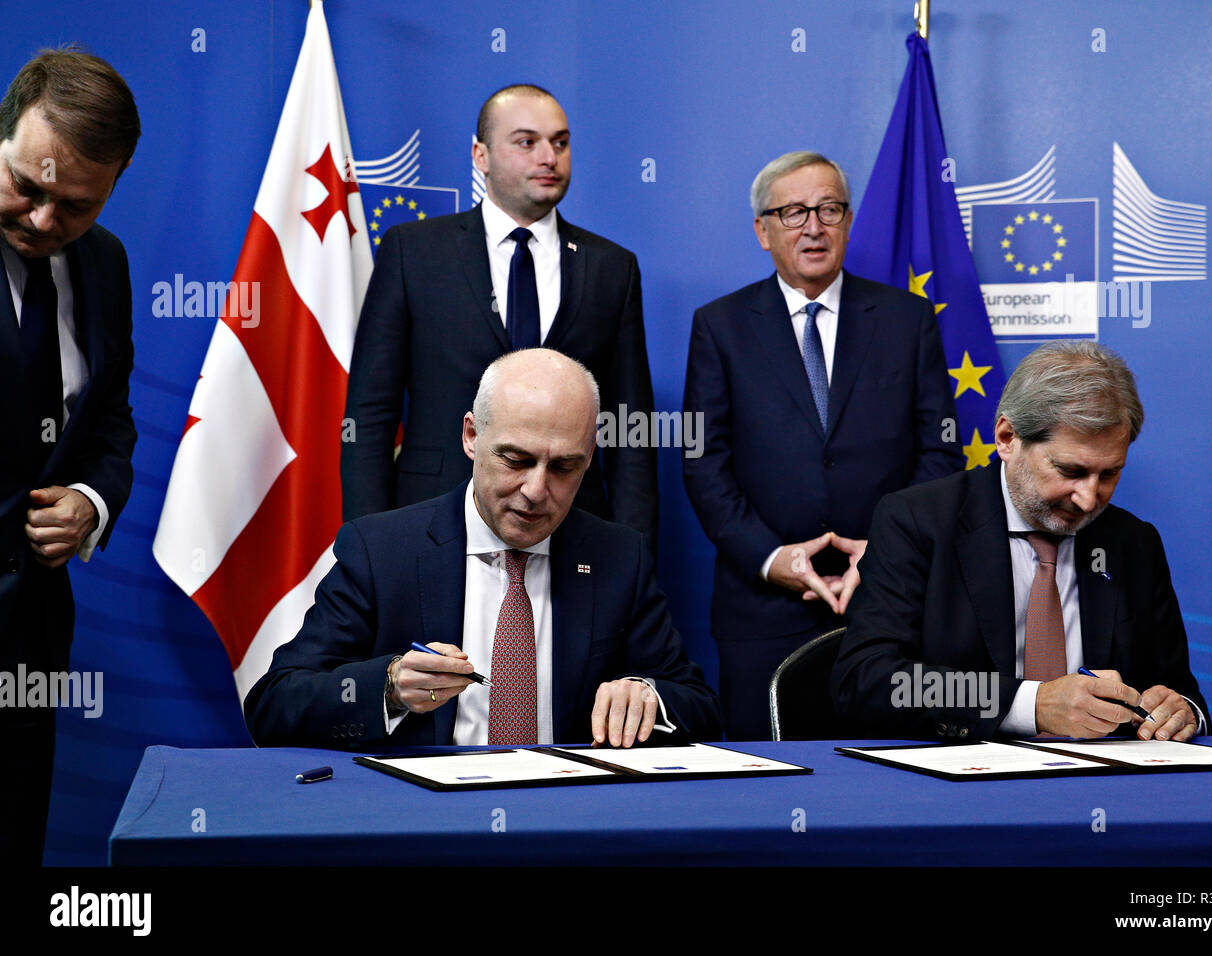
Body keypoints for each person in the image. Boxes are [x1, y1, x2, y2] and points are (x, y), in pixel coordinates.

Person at [246, 349, 720, 749]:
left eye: (564, 468)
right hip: (428, 824)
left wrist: (647, 697)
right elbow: (273, 705)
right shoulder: (382, 550)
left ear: (590, 456)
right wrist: (387, 688)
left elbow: (699, 705)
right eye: (516, 460)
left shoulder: (618, 556)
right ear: (472, 436)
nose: (536, 490)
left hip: (568, 819)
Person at [682, 150, 961, 740]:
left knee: (892, 785)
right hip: (761, 608)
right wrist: (771, 558)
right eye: (793, 212)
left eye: (829, 208)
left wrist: (883, 553)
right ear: (763, 230)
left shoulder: (908, 320)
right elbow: (705, 462)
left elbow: (941, 454)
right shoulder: (720, 326)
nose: (814, 226)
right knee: (763, 788)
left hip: (890, 603)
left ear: (849, 220)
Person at [832, 341, 1210, 742]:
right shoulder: (917, 521)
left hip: (1105, 783)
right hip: (966, 784)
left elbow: (1179, 688)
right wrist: (1032, 704)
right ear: (1007, 438)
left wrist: (1181, 711)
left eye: (1110, 474)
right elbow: (869, 680)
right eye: (1070, 470)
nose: (1088, 498)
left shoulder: (1133, 543)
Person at [342, 83, 657, 549]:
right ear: (481, 155)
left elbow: (632, 425)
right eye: (527, 142)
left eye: (561, 142)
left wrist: (635, 551)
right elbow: (369, 415)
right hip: (432, 517)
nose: (549, 157)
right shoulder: (413, 252)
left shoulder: (612, 267)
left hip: (573, 525)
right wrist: (366, 544)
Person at [0, 47, 139, 864]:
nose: (46, 222)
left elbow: (109, 421)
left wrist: (91, 500)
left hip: (35, 641)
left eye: (76, 204)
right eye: (27, 187)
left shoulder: (107, 263)